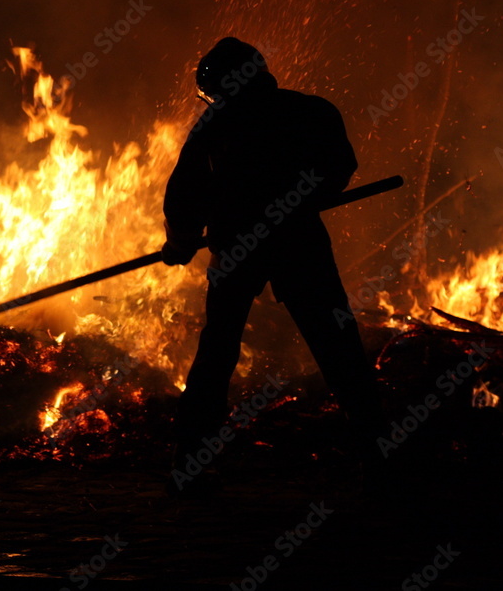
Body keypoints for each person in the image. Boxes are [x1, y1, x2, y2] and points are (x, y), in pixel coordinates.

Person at [161, 37, 384, 495]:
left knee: (217, 353)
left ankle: (190, 461)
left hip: (237, 248)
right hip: (298, 242)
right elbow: (341, 166)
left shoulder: (216, 123)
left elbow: (187, 190)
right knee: (336, 346)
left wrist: (181, 240)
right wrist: (301, 201)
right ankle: (379, 453)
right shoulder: (311, 110)